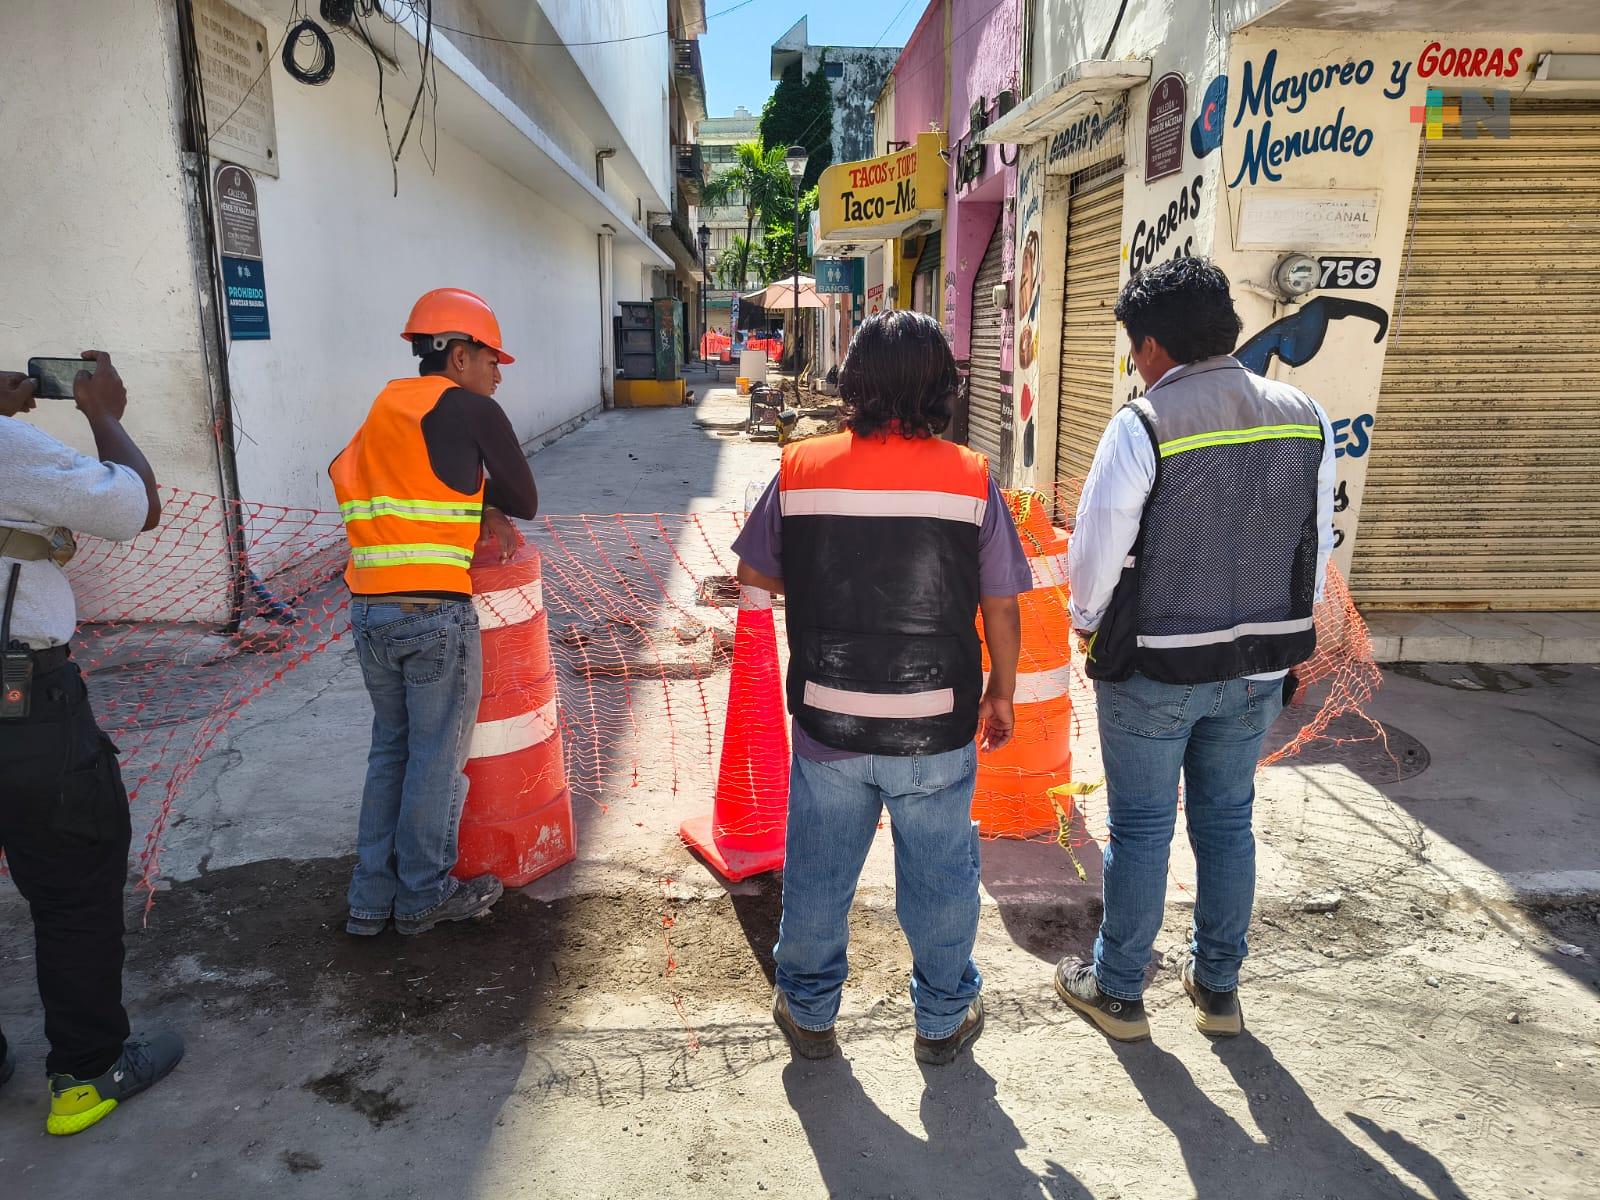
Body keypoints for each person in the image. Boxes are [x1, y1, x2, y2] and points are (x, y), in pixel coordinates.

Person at [732, 309, 1031, 1066]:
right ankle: (940, 1020)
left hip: (829, 720)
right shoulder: (968, 476)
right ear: (942, 387)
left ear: (854, 382)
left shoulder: (800, 468)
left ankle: (808, 1014)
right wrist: (1001, 691)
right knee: (938, 877)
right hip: (935, 723)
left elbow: (755, 576)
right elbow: (1000, 599)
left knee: (820, 873)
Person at [1053, 257, 1336, 1041]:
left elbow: (1096, 555)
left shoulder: (1144, 423)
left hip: (1157, 665)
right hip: (1259, 667)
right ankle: (1217, 989)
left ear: (1150, 345)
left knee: (1142, 829)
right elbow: (1314, 548)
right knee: (1227, 820)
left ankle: (1117, 991)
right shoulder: (1303, 413)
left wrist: (1086, 619)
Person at [0, 351, 184, 1135]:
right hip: (21, 701)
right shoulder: (8, 447)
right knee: (74, 874)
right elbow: (132, 507)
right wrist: (103, 409)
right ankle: (87, 1072)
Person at [329, 288, 538, 938]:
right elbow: (525, 497)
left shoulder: (384, 407)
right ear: (458, 354)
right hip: (433, 614)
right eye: (491, 359)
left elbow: (344, 470)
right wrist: (489, 496)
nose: (498, 374)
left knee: (389, 751)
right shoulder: (470, 408)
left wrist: (472, 499)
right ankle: (422, 895)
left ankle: (369, 903)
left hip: (369, 611)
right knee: (435, 758)